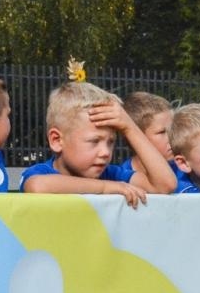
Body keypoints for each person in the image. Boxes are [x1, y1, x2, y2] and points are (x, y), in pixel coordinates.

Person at [20, 82, 176, 203]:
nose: (105, 152)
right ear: (56, 140)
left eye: (111, 142)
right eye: (94, 141)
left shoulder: (112, 174)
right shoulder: (42, 173)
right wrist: (106, 187)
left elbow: (165, 185)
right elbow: (37, 186)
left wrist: (130, 127)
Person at [123, 91, 174, 189]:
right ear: (136, 137)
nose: (172, 137)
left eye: (173, 129)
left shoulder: (186, 169)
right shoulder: (120, 176)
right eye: (162, 132)